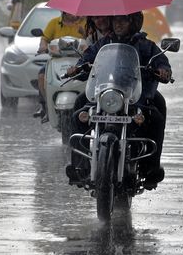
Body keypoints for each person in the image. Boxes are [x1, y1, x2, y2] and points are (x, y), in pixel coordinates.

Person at [65, 11, 172, 189]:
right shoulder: (104, 43)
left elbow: (162, 63)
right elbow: (87, 61)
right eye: (115, 20)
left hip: (135, 97)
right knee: (78, 111)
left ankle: (150, 169)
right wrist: (76, 68)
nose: (118, 24)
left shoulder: (146, 45)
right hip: (105, 95)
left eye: (123, 20)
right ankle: (80, 166)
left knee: (157, 116)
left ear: (134, 22)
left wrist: (163, 70)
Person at [33, 12, 85, 123]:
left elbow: (92, 39)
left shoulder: (85, 23)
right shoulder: (54, 23)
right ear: (64, 11)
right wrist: (43, 46)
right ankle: (46, 106)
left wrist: (84, 33)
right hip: (57, 60)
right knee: (42, 74)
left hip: (80, 60)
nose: (73, 13)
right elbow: (45, 39)